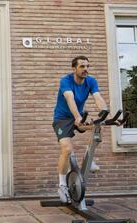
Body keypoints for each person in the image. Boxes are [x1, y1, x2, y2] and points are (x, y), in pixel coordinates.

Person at [52, 55, 109, 203]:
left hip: (79, 117)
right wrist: (77, 117)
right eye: (82, 66)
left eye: (87, 66)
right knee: (66, 149)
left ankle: (88, 160)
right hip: (63, 119)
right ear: (74, 68)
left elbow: (98, 97)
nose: (86, 69)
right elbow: (70, 99)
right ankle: (62, 185)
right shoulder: (66, 81)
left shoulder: (90, 81)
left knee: (97, 126)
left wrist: (104, 111)